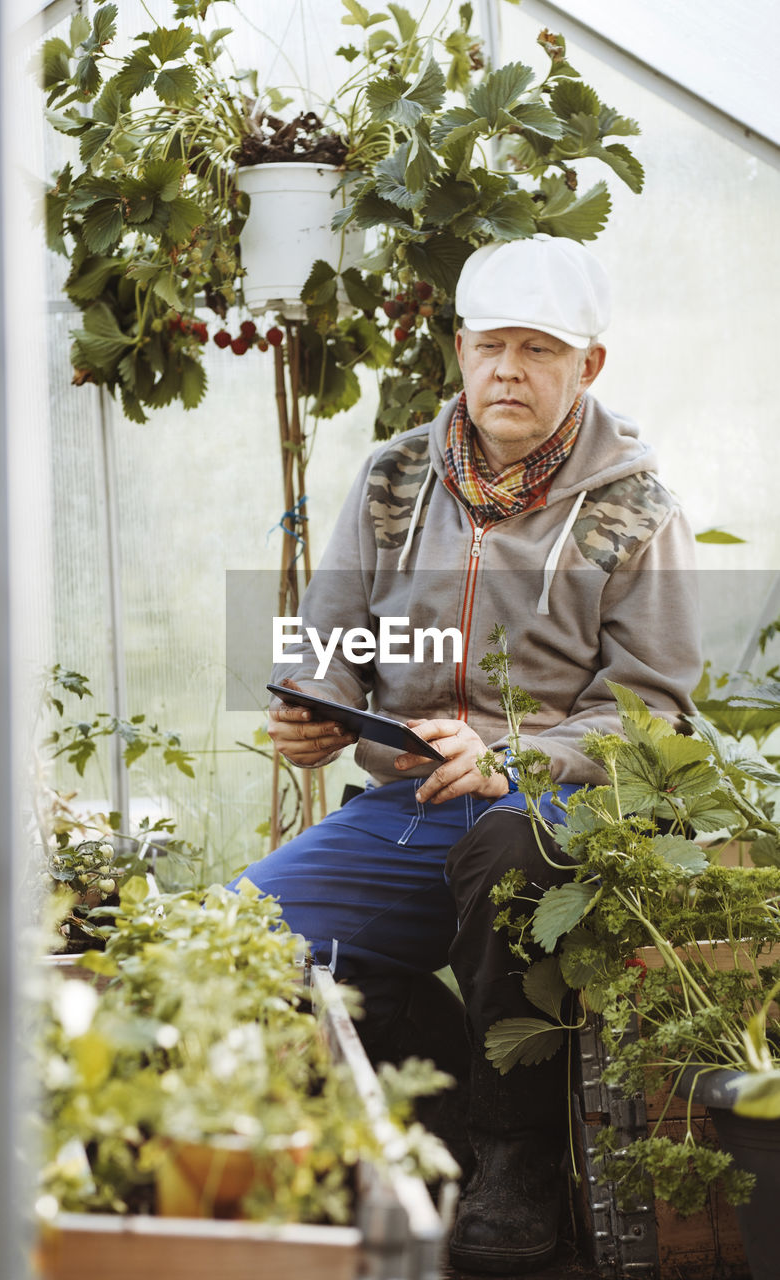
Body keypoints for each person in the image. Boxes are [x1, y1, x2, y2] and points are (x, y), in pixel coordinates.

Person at [235, 235, 701, 1274]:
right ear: (458, 346)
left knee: (507, 849)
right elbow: (331, 643)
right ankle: (438, 1098)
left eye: (539, 349)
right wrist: (316, 704)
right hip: (406, 800)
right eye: (491, 344)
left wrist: (509, 751)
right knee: (244, 936)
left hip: (549, 804)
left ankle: (514, 1154)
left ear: (588, 365)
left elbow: (655, 713)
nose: (507, 370)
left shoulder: (633, 508)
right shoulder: (394, 476)